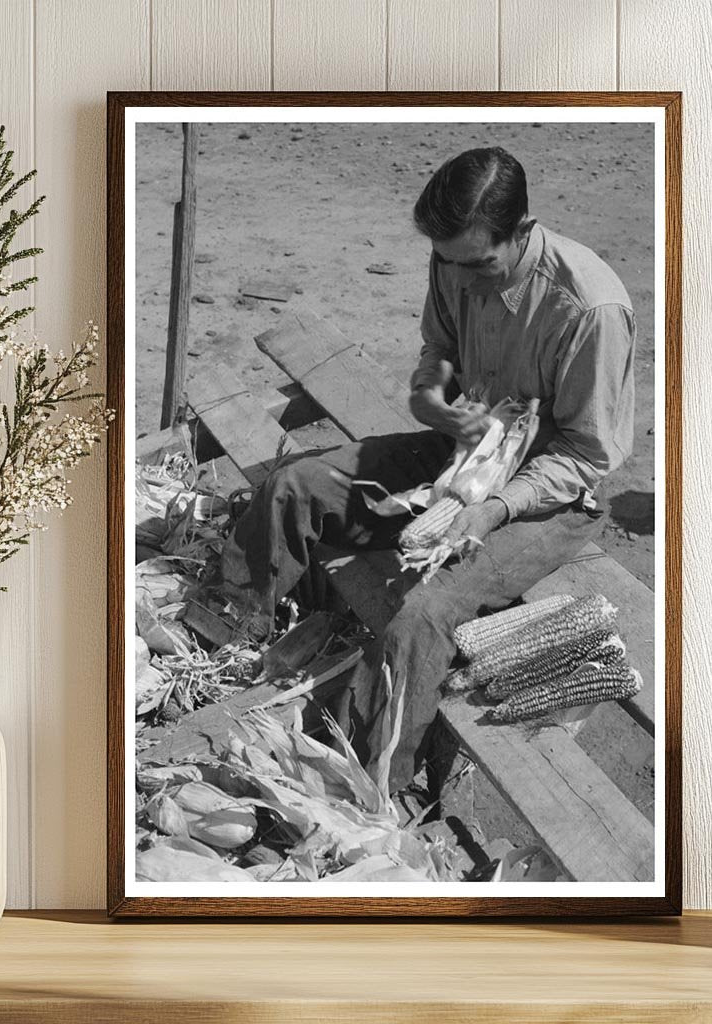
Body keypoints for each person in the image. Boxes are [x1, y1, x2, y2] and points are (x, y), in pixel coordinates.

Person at [218, 145, 636, 792]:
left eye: (480, 265)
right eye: (448, 262)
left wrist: (492, 507)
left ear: (522, 231)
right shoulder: (455, 257)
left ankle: (366, 789)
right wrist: (429, 398)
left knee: (422, 617)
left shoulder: (589, 310)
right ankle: (219, 649)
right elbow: (439, 347)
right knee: (293, 487)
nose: (463, 280)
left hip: (550, 493)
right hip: (462, 454)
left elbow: (586, 454)